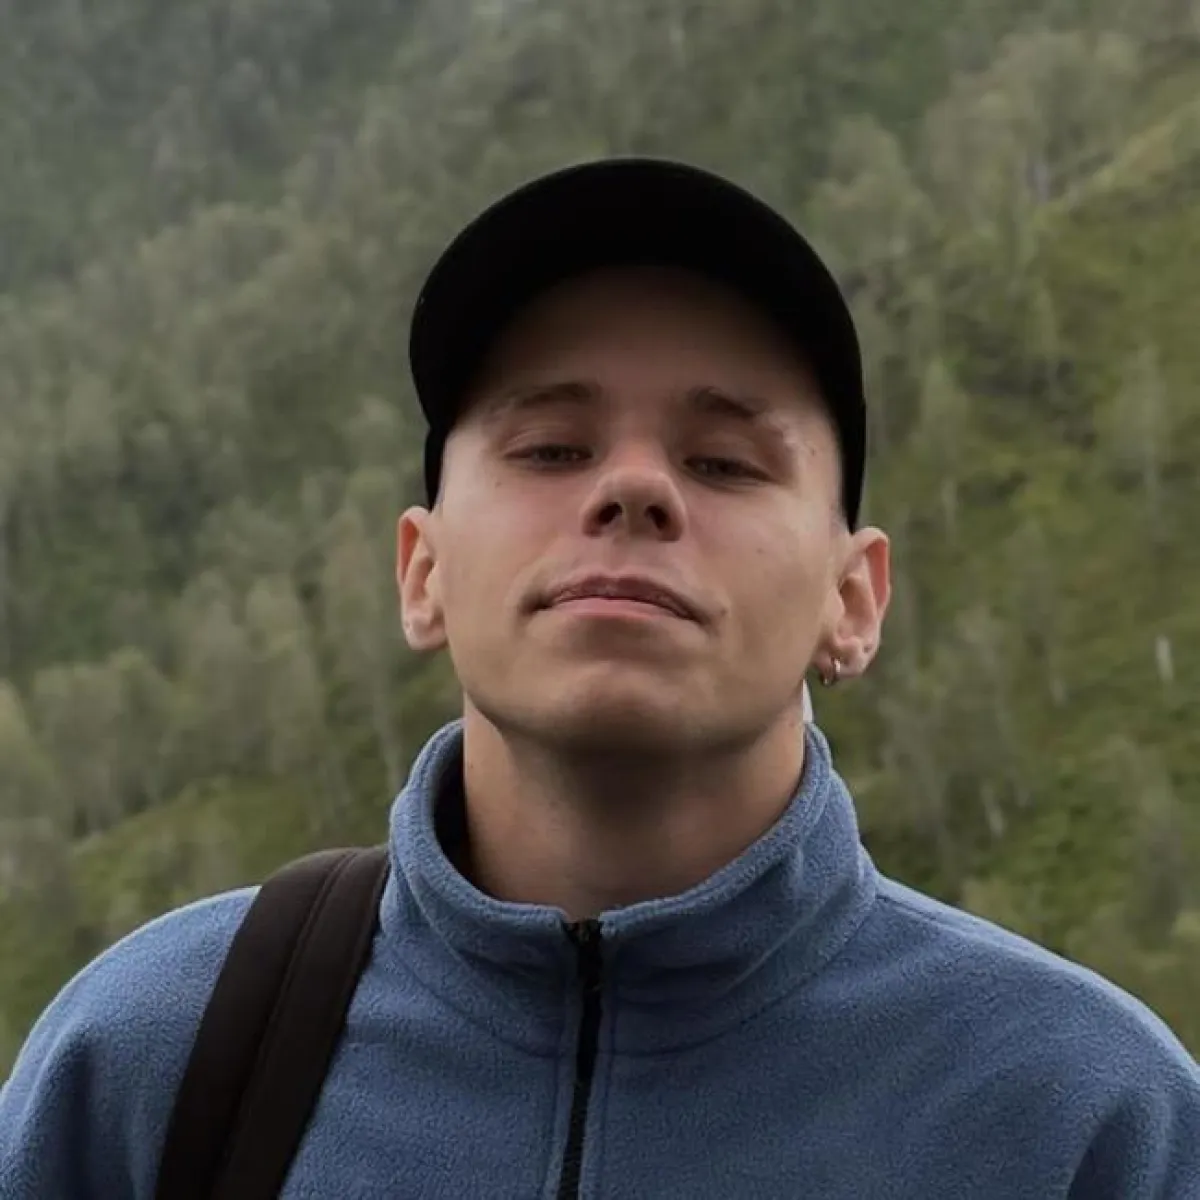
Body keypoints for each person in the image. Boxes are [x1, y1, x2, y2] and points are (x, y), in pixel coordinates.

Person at [2, 159, 1198, 1200]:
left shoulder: (1087, 1120)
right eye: (551, 448)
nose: (633, 488)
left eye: (724, 461)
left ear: (854, 598)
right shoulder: (151, 1058)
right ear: (423, 572)